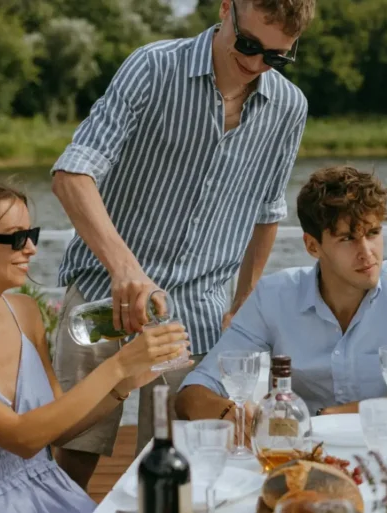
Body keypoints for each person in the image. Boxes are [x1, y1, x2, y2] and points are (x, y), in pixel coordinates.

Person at [47, 0, 316, 487]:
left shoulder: (289, 108)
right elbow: (72, 174)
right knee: (74, 458)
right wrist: (124, 268)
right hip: (102, 299)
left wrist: (244, 303)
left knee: (184, 467)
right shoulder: (152, 68)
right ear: (226, 8)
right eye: (248, 44)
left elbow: (267, 210)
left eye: (276, 56)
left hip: (193, 318)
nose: (257, 63)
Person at [0, 176, 189, 513]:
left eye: (31, 234)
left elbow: (58, 432)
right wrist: (117, 366)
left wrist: (125, 384)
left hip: (52, 490)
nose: (31, 248)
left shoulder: (25, 312)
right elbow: (22, 438)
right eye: (16, 238)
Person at [175, 165, 387, 429]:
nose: (367, 253)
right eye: (347, 239)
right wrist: (230, 414)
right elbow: (193, 393)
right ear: (312, 246)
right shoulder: (273, 296)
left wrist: (329, 417)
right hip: (303, 451)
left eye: (373, 233)